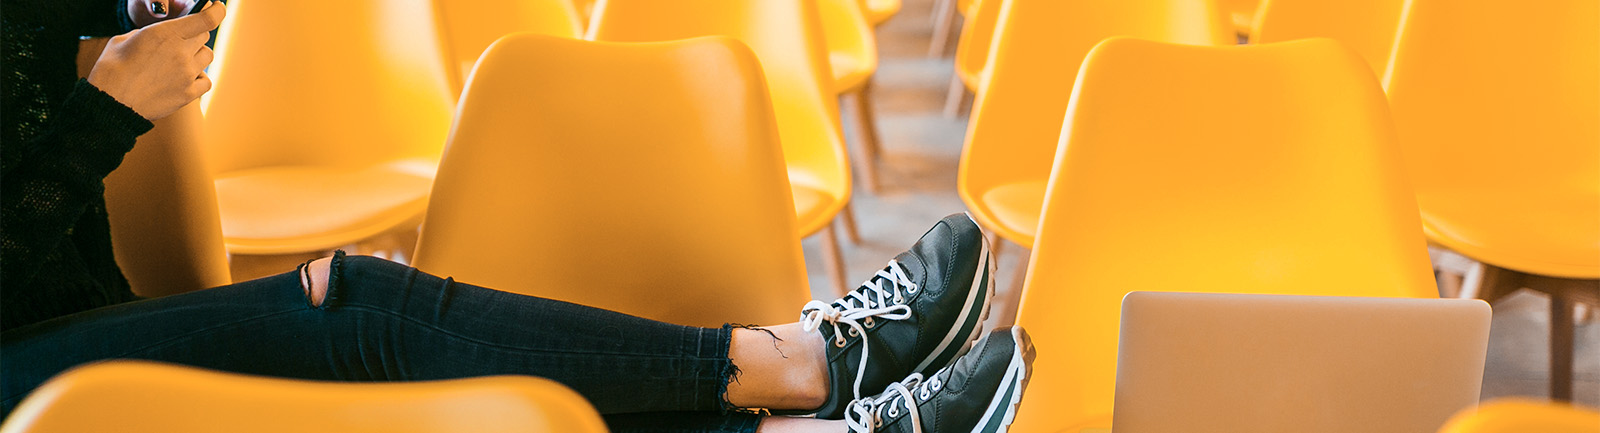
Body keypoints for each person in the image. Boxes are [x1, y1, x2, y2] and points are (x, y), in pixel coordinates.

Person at [0, 1, 1035, 432]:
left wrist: (136, 27)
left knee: (420, 374)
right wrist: (105, 113)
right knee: (346, 300)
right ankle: (807, 365)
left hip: (75, 321)